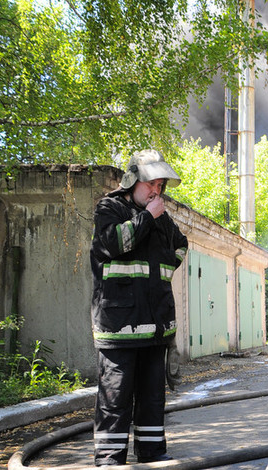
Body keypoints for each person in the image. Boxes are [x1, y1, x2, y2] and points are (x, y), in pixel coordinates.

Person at [89, 149, 188, 466]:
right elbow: (114, 243)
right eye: (151, 184)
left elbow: (181, 245)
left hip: (155, 325)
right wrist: (147, 218)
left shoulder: (162, 217)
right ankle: (109, 458)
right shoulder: (110, 207)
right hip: (120, 326)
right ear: (133, 180)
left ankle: (152, 451)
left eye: (160, 185)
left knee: (152, 396)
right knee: (115, 397)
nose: (156, 191)